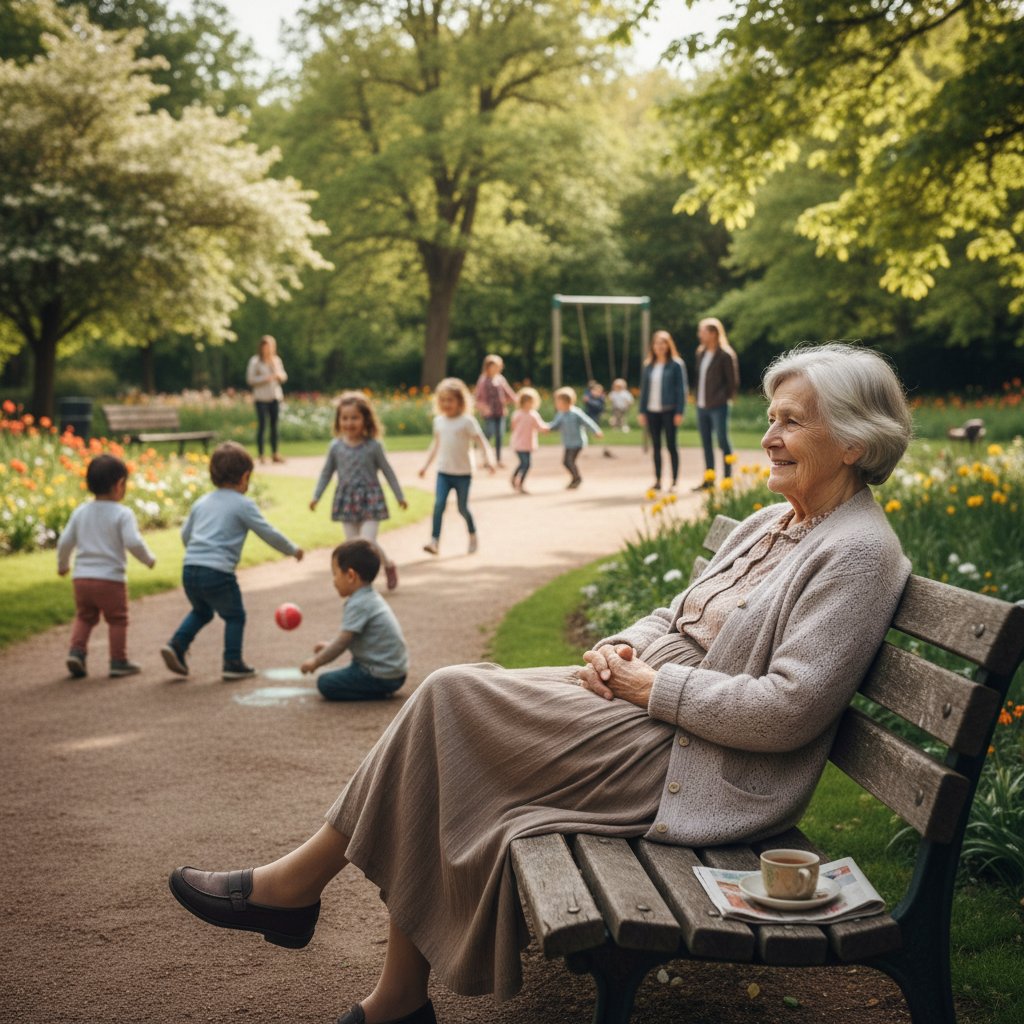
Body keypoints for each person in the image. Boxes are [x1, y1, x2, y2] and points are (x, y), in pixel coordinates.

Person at [168, 343, 912, 1024]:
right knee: (449, 702)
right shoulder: (773, 522)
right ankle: (377, 976)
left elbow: (789, 710)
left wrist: (650, 686)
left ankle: (305, 899)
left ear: (853, 440)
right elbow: (676, 615)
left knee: (452, 701)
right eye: (771, 418)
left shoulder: (858, 553)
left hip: (697, 763)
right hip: (655, 712)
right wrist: (622, 648)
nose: (770, 437)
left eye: (792, 422)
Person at [161, 442, 304, 681]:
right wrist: (293, 550)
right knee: (235, 616)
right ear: (245, 476)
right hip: (217, 572)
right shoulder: (243, 504)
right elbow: (267, 532)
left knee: (202, 610)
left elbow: (185, 534)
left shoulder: (202, 502)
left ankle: (177, 645)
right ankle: (232, 661)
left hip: (190, 569)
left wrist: (197, 554)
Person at [56, 454, 156, 678]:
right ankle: (118, 660)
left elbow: (65, 542)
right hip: (110, 579)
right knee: (117, 619)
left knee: (84, 616)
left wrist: (63, 565)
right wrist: (148, 559)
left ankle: (77, 652)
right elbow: (133, 542)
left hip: (81, 578)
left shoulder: (80, 512)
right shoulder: (122, 513)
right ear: (119, 485)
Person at [310, 392, 408, 591]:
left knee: (367, 541)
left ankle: (386, 566)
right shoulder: (335, 447)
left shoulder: (373, 446)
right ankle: (362, 581)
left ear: (366, 419)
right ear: (338, 421)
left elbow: (388, 472)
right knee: (353, 545)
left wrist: (400, 496)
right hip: (346, 500)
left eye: (354, 417)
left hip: (371, 499)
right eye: (344, 418)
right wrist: (316, 496)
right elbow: (326, 473)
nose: (349, 422)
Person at [300, 540, 409, 701]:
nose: (333, 580)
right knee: (349, 669)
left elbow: (343, 642)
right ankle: (377, 687)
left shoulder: (359, 604)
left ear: (351, 576)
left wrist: (316, 661)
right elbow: (354, 639)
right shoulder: (369, 597)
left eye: (335, 574)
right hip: (393, 671)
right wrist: (328, 646)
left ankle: (376, 692)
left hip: (382, 675)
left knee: (326, 683)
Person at [418, 378, 495, 556]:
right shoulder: (439, 421)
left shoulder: (467, 421)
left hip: (463, 473)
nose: (446, 404)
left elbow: (481, 441)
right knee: (438, 505)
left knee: (462, 508)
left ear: (460, 401)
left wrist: (488, 460)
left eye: (450, 400)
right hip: (443, 472)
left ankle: (472, 534)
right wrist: (425, 466)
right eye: (443, 400)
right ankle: (434, 541)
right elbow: (436, 445)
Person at [638, 330, 688, 492]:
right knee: (656, 446)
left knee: (671, 445)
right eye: (657, 343)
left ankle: (674, 481)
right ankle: (658, 480)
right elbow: (644, 390)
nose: (659, 346)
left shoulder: (676, 365)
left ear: (668, 345)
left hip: (670, 410)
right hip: (652, 411)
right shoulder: (648, 366)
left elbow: (681, 390)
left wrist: (680, 411)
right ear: (653, 346)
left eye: (663, 343)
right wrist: (642, 411)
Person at [694, 317, 740, 490]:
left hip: (719, 406)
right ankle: (709, 479)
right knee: (706, 443)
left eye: (702, 331)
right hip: (701, 405)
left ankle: (727, 478)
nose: (699, 334)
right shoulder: (701, 353)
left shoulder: (725, 354)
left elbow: (733, 382)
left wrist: (722, 398)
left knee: (722, 440)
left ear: (713, 333)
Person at [548, 386, 603, 489]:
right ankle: (575, 478)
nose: (556, 404)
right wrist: (545, 428)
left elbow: (588, 422)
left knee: (569, 461)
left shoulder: (576, 413)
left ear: (566, 402)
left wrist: (596, 431)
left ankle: (577, 478)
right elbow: (555, 425)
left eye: (558, 402)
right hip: (568, 442)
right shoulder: (560, 414)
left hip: (578, 442)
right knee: (566, 462)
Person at [246, 335, 288, 465]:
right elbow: (250, 379)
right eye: (265, 347)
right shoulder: (255, 361)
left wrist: (277, 374)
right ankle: (261, 454)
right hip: (261, 398)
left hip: (275, 397)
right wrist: (266, 378)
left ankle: (275, 453)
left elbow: (283, 376)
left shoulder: (276, 360)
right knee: (262, 425)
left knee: (274, 426)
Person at [473, 354, 517, 468]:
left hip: (500, 412)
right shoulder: (483, 380)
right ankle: (486, 458)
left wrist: (518, 401)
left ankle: (498, 460)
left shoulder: (500, 379)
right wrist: (483, 408)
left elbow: (509, 393)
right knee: (489, 433)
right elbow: (477, 398)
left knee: (499, 436)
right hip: (489, 413)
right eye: (494, 366)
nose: (497, 368)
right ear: (488, 367)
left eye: (498, 366)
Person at [509, 387, 549, 493]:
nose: (529, 404)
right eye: (527, 402)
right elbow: (513, 427)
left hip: (528, 443)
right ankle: (518, 481)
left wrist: (547, 428)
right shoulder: (517, 414)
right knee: (525, 463)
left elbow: (539, 426)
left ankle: (518, 481)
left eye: (531, 402)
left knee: (525, 464)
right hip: (518, 443)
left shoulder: (534, 414)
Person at [583, 380, 613, 458]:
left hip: (595, 417)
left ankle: (604, 447)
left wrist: (588, 401)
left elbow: (598, 407)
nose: (594, 392)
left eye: (597, 391)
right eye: (593, 391)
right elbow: (587, 394)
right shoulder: (590, 396)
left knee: (595, 432)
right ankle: (585, 448)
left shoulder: (601, 399)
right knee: (585, 432)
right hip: (588, 416)